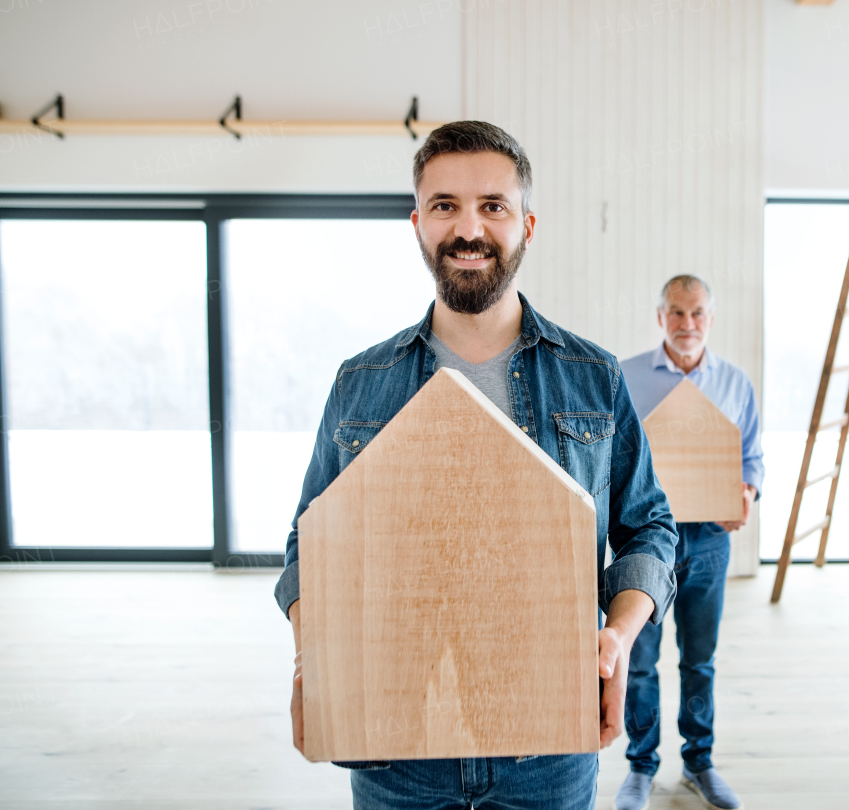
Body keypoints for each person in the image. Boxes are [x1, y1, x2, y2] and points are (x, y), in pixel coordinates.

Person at [273, 121, 679, 810]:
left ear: (526, 222)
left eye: (492, 205)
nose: (469, 228)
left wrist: (619, 633)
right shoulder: (360, 382)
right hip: (392, 742)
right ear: (417, 223)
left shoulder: (592, 377)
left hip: (547, 747)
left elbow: (649, 529)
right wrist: (316, 645)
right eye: (444, 206)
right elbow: (309, 547)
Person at [615, 275, 763, 810]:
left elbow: (752, 456)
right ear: (660, 318)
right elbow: (613, 458)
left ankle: (699, 761)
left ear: (711, 319)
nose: (687, 324)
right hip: (642, 540)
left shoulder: (734, 383)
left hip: (707, 540)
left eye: (697, 313)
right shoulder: (626, 377)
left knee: (699, 659)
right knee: (638, 658)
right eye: (676, 313)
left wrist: (748, 490)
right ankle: (640, 766)